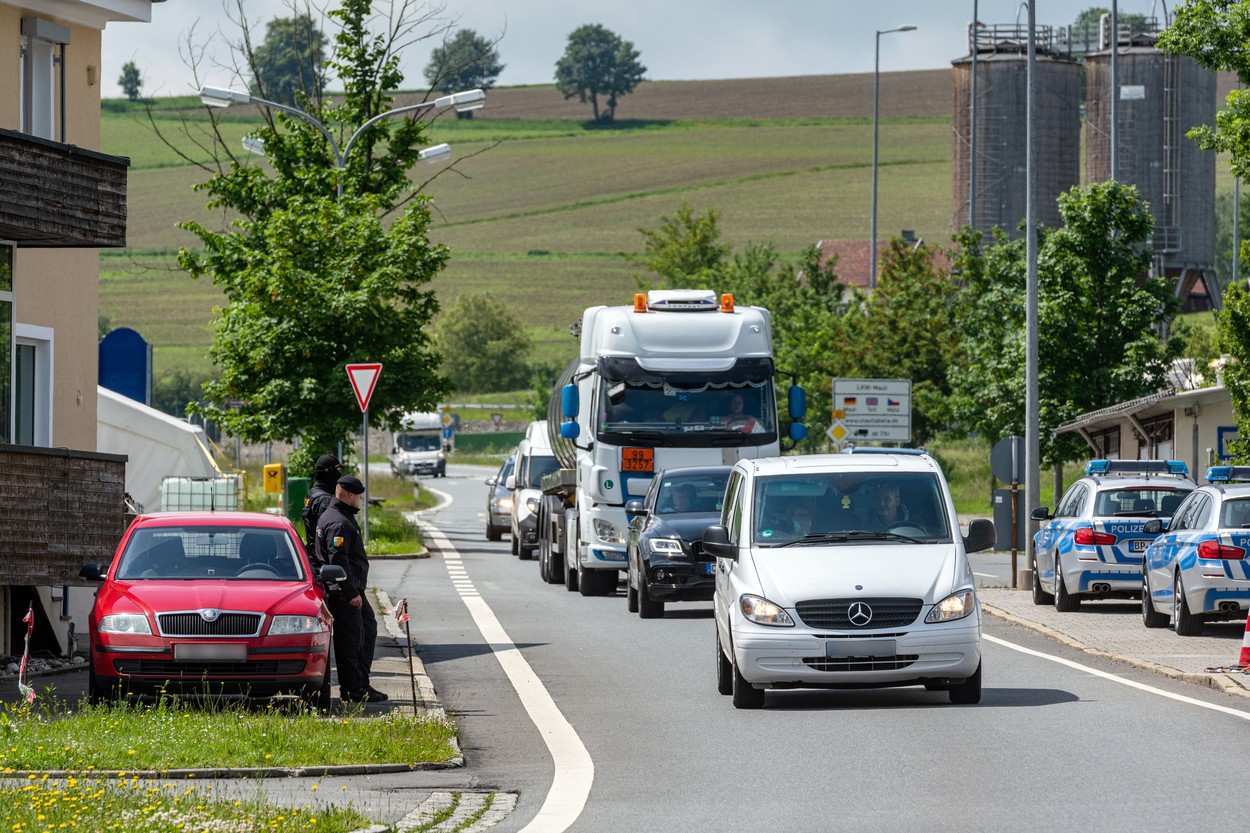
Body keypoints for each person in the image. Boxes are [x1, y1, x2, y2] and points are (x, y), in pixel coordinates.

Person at [317, 475, 388, 704]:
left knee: (365, 629)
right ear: (349, 495)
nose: (359, 500)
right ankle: (354, 689)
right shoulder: (339, 521)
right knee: (352, 642)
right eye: (358, 496)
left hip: (348, 589)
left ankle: (359, 684)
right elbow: (339, 561)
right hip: (345, 591)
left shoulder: (336, 514)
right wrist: (351, 593)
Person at [301, 454, 341, 562]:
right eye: (338, 470)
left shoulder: (313, 494)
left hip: (314, 554)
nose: (340, 475)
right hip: (323, 559)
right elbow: (329, 534)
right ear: (330, 473)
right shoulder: (325, 500)